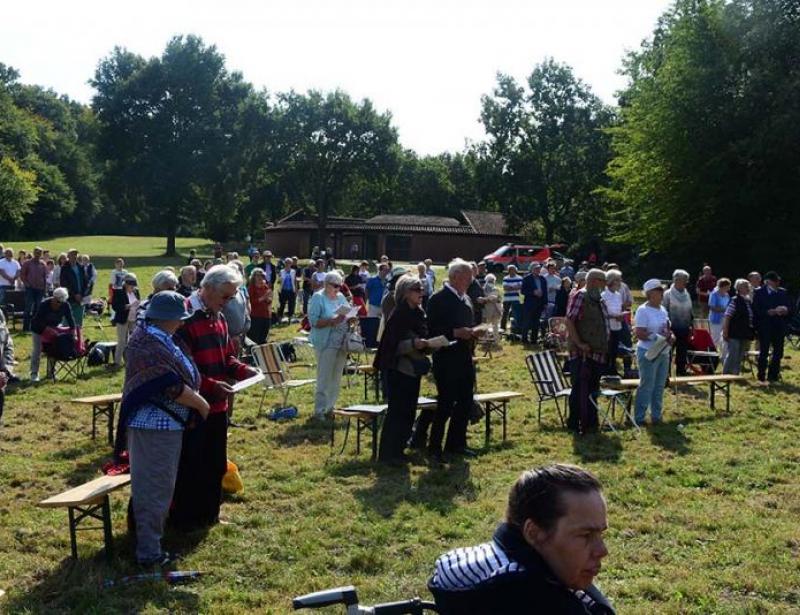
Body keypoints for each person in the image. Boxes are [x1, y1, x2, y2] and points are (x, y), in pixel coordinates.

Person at [429, 464, 613, 614]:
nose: (602, 551)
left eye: (601, 534)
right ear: (533, 533)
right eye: (585, 535)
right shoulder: (533, 598)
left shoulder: (473, 562)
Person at [114, 291, 209, 567]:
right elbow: (170, 386)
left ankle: (151, 545)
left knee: (160, 487)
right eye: (179, 319)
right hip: (154, 427)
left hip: (166, 425)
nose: (182, 324)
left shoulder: (158, 337)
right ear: (166, 318)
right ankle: (149, 553)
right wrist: (200, 403)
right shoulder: (147, 343)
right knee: (153, 489)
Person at [170, 265, 258, 530]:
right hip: (191, 406)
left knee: (215, 463)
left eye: (232, 298)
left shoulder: (219, 316)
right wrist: (211, 385)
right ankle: (185, 520)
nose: (228, 303)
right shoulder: (183, 317)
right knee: (191, 464)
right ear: (207, 288)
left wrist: (244, 370)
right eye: (225, 297)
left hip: (218, 406)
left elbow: (227, 356)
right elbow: (181, 367)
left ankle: (210, 515)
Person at [410, 259, 479, 461]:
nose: (470, 281)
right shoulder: (438, 299)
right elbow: (431, 329)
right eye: (467, 277)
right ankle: (434, 447)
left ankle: (456, 444)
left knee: (466, 401)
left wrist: (475, 332)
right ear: (455, 276)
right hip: (446, 357)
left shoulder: (465, 299)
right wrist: (455, 332)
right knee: (446, 402)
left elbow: (468, 323)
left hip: (465, 356)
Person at [375, 275, 430, 464]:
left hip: (414, 370)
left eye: (422, 289)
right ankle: (388, 454)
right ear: (406, 293)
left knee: (409, 411)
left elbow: (424, 336)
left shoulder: (419, 313)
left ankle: (400, 450)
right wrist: (413, 344)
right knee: (396, 412)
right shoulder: (399, 315)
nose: (421, 292)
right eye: (417, 289)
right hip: (398, 370)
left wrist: (430, 344)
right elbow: (391, 347)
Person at [564, 269, 609, 434]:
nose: (605, 286)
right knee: (579, 390)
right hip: (582, 354)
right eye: (603, 282)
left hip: (597, 353)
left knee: (593, 390)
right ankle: (575, 424)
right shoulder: (580, 296)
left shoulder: (600, 299)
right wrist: (579, 343)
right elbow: (569, 320)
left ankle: (591, 422)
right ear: (595, 281)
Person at [308, 271, 351, 418]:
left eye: (340, 286)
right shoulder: (318, 297)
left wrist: (351, 318)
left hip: (342, 341)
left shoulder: (340, 297)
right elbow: (313, 322)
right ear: (326, 284)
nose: (338, 289)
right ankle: (319, 411)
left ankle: (330, 407)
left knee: (336, 376)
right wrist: (332, 320)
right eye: (335, 286)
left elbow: (348, 311)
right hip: (325, 341)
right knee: (324, 376)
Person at [633, 279, 674, 426]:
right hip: (647, 351)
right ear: (650, 294)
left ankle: (656, 415)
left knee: (659, 384)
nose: (662, 293)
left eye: (662, 290)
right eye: (658, 290)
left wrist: (670, 336)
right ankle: (639, 417)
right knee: (647, 384)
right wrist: (656, 337)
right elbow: (639, 332)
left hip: (663, 351)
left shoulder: (663, 309)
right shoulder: (643, 310)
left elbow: (667, 328)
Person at [30, 288, 77, 382]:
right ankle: (34, 373)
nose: (59, 304)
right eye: (58, 301)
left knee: (54, 349)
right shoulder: (44, 304)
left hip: (54, 328)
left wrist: (74, 332)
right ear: (54, 298)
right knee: (37, 351)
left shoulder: (65, 305)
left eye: (61, 302)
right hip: (38, 329)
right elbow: (37, 320)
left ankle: (50, 372)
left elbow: (70, 319)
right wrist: (47, 329)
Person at [752, 271, 791, 384]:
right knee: (763, 352)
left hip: (779, 326)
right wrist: (767, 312)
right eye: (775, 281)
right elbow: (756, 309)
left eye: (778, 281)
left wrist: (785, 310)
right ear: (768, 282)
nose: (778, 283)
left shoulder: (783, 292)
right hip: (765, 326)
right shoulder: (759, 293)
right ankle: (761, 375)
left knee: (778, 352)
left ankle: (773, 375)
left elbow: (790, 307)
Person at [662, 269, 693, 376]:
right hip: (671, 328)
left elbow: (690, 311)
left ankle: (681, 371)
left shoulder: (686, 294)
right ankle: (666, 374)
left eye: (686, 280)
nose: (686, 282)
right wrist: (667, 328)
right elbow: (663, 311)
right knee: (668, 352)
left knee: (682, 351)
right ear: (676, 280)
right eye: (684, 280)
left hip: (684, 327)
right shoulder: (667, 294)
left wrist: (691, 326)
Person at [57, 249, 88, 351]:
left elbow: (85, 282)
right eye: (71, 255)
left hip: (80, 299)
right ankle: (65, 344)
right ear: (68, 256)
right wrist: (74, 294)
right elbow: (64, 284)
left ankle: (78, 345)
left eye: (75, 255)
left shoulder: (80, 267)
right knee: (67, 323)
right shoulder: (65, 268)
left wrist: (82, 294)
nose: (73, 257)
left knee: (78, 323)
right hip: (69, 299)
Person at [722, 279, 755, 375]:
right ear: (739, 288)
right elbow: (727, 317)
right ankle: (726, 374)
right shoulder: (735, 300)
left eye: (748, 286)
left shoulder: (748, 301)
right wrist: (725, 332)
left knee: (740, 354)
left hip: (744, 333)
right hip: (734, 332)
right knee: (733, 353)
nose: (748, 288)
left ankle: (735, 374)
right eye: (745, 286)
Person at [601, 270, 630, 376]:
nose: (620, 282)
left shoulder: (618, 295)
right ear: (611, 281)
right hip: (607, 327)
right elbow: (602, 313)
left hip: (617, 326)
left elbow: (618, 309)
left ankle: (613, 369)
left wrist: (622, 315)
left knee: (614, 350)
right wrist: (615, 316)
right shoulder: (604, 295)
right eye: (618, 280)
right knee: (607, 350)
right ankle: (605, 371)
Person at [112, 275, 141, 367]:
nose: (133, 288)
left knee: (132, 341)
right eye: (131, 286)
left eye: (134, 287)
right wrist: (127, 306)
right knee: (122, 341)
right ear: (126, 285)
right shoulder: (118, 292)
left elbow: (138, 302)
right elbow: (115, 306)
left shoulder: (136, 292)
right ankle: (117, 362)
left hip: (133, 319)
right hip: (122, 319)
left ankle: (129, 360)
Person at [20, 247, 47, 332]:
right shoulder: (27, 263)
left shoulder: (43, 264)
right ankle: (26, 328)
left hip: (40, 289)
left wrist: (45, 288)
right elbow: (22, 274)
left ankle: (34, 327)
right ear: (34, 253)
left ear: (41, 254)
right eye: (36, 252)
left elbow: (45, 277)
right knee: (28, 308)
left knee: (38, 308)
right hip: (30, 289)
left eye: (39, 252)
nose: (38, 254)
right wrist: (27, 284)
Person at [520, 262, 546, 345]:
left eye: (539, 268)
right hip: (529, 304)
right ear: (531, 270)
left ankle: (534, 340)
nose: (538, 270)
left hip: (539, 304)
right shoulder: (527, 278)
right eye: (536, 269)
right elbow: (523, 291)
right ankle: (524, 339)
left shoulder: (542, 279)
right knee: (527, 322)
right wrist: (533, 292)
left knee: (536, 322)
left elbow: (545, 292)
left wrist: (545, 302)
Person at [708, 278, 731, 361]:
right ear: (723, 286)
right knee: (715, 339)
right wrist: (724, 310)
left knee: (724, 339)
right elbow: (712, 307)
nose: (729, 289)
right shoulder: (714, 294)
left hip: (724, 319)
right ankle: (712, 358)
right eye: (727, 287)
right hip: (715, 320)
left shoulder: (727, 295)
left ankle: (723, 357)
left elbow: (729, 306)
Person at [247, 269, 272, 344]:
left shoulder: (265, 286)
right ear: (253, 277)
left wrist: (268, 300)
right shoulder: (251, 287)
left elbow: (269, 300)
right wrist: (263, 298)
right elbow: (250, 302)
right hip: (255, 316)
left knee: (263, 338)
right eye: (257, 275)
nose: (259, 277)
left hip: (266, 315)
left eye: (261, 275)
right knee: (255, 338)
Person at [501, 264, 523, 334]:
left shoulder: (519, 278)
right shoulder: (505, 278)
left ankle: (516, 328)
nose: (512, 271)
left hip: (515, 298)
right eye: (510, 270)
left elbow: (520, 287)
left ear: (515, 270)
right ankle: (502, 328)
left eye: (513, 270)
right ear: (508, 271)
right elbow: (505, 288)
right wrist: (514, 287)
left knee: (516, 314)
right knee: (505, 313)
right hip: (506, 298)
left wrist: (510, 287)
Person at [276, 258, 298, 323]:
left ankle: (290, 318)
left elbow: (295, 281)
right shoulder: (281, 271)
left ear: (291, 264)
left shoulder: (293, 271)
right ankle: (279, 318)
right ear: (284, 263)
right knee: (282, 304)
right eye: (286, 263)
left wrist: (296, 290)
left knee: (291, 305)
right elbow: (279, 281)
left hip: (291, 290)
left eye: (289, 263)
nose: (288, 264)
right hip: (283, 290)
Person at [482, 273, 502, 340]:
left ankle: (496, 339)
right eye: (490, 280)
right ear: (487, 280)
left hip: (496, 310)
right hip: (487, 310)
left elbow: (499, 299)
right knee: (486, 325)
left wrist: (497, 301)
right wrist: (489, 299)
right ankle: (485, 339)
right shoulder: (483, 289)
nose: (491, 282)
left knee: (495, 325)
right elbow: (483, 300)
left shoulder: (496, 289)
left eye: (493, 280)